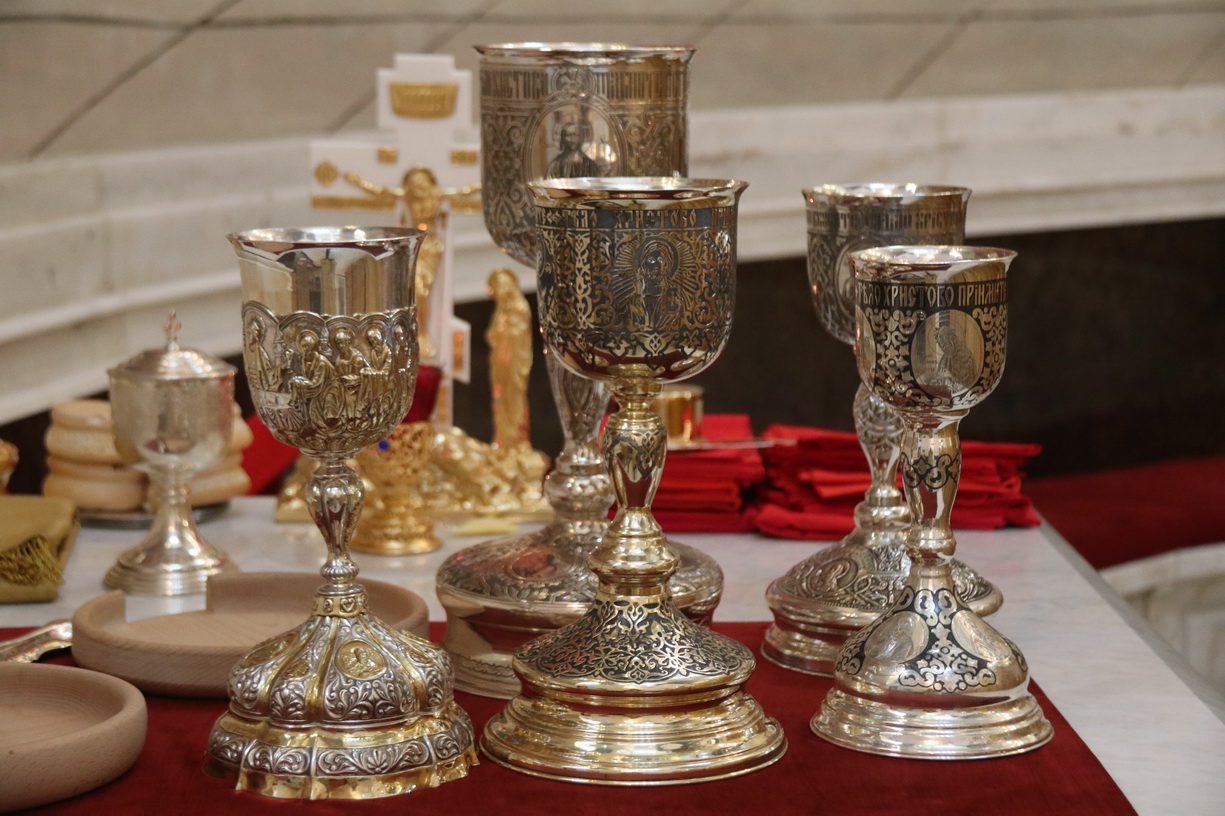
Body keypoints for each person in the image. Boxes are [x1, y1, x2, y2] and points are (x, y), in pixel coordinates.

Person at [485, 268, 533, 450]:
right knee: (501, 397)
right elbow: (491, 335)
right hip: (501, 362)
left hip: (513, 362)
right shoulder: (500, 310)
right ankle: (503, 439)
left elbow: (519, 333)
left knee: (514, 397)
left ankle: (517, 438)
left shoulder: (519, 307)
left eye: (503, 285)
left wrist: (504, 331)